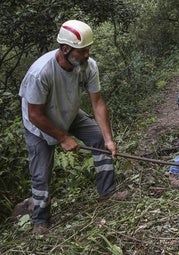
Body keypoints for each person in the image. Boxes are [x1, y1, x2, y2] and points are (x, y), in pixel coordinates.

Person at [18, 20, 128, 234]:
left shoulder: (88, 66)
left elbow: (97, 102)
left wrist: (108, 138)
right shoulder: (40, 72)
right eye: (82, 50)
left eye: (88, 49)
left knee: (99, 139)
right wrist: (62, 138)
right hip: (39, 124)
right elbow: (34, 114)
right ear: (65, 49)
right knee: (41, 173)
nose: (87, 54)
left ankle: (107, 191)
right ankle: (40, 221)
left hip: (69, 112)